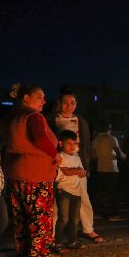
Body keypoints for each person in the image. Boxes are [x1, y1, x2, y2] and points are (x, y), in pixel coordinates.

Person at [0, 83, 61, 257]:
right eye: (39, 97)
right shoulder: (33, 117)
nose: (44, 101)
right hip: (36, 173)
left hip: (16, 172)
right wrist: (54, 154)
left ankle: (23, 248)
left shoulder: (10, 117)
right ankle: (39, 252)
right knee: (39, 215)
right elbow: (40, 138)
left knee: (21, 216)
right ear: (26, 98)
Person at [47, 90, 109, 240]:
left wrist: (86, 164)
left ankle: (89, 229)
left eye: (72, 103)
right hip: (60, 165)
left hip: (78, 164)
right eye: (65, 102)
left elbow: (86, 145)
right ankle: (52, 234)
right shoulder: (51, 120)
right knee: (56, 203)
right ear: (59, 103)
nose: (69, 106)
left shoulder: (81, 121)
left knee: (83, 199)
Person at [55, 130, 87, 249]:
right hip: (63, 191)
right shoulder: (60, 157)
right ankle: (57, 242)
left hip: (76, 191)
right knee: (63, 218)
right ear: (61, 143)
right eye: (69, 143)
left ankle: (72, 241)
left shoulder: (77, 157)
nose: (72, 146)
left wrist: (77, 171)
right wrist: (77, 170)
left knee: (74, 220)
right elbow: (66, 172)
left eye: (75, 143)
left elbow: (83, 173)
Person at [91, 121, 124, 229]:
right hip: (112, 169)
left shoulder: (95, 140)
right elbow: (119, 154)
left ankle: (98, 213)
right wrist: (124, 156)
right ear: (109, 128)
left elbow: (94, 156)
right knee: (113, 193)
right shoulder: (112, 139)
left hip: (100, 169)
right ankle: (113, 214)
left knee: (100, 192)